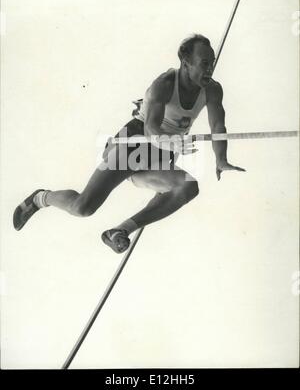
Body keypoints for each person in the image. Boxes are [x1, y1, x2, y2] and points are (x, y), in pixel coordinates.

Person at [13, 34, 245, 253]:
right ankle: (40, 198)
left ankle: (120, 230)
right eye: (204, 63)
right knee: (83, 207)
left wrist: (221, 159)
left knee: (187, 187)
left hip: (162, 154)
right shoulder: (164, 83)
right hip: (134, 143)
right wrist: (172, 144)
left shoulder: (213, 89)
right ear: (186, 63)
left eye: (212, 63)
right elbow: (151, 129)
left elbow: (217, 128)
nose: (210, 69)